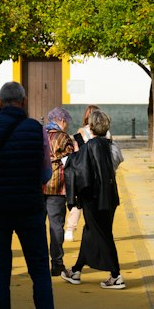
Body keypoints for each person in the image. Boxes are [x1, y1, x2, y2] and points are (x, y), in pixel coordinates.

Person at [0, 81, 64, 309]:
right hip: (29, 207)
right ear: (23, 102)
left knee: (0, 271)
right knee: (39, 270)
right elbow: (46, 174)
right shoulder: (36, 131)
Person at [62, 107, 125, 288]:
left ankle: (116, 275)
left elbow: (76, 166)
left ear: (91, 127)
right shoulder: (109, 145)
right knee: (91, 232)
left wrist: (67, 158)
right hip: (109, 197)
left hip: (94, 198)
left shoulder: (91, 146)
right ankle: (76, 271)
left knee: (102, 234)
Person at [42, 107, 76, 277]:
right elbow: (71, 161)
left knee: (37, 226)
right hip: (57, 186)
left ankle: (39, 263)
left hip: (38, 185)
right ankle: (56, 263)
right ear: (61, 121)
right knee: (56, 226)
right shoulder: (63, 137)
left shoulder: (38, 134)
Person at [63, 105, 96, 244]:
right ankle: (94, 231)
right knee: (94, 203)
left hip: (83, 172)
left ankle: (70, 229)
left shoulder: (81, 132)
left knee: (79, 201)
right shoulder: (106, 133)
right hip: (97, 173)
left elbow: (76, 153)